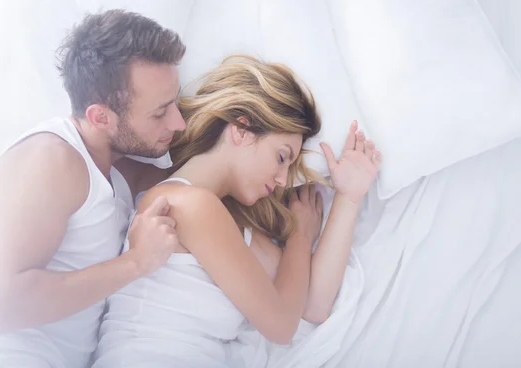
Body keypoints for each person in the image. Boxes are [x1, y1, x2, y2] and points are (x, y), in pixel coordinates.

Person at [93, 55, 381, 367]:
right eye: (281, 157)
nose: (284, 179)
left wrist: (349, 197)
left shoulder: (221, 222)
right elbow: (282, 327)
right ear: (241, 129)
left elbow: (312, 304)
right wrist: (299, 235)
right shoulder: (187, 204)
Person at [0, 10, 187, 368]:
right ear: (100, 117)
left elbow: (193, 180)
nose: (178, 122)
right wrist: (137, 261)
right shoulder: (49, 159)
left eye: (176, 102)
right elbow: (1, 308)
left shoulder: (115, 169)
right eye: (160, 112)